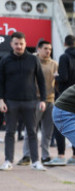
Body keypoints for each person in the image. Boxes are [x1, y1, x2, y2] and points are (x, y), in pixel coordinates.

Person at [0, 32, 47, 171]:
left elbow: (41, 80)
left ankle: (36, 161)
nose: (19, 46)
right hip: (10, 102)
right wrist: (1, 100)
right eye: (16, 43)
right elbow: (0, 82)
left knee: (32, 132)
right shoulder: (5, 60)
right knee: (10, 132)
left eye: (21, 43)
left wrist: (43, 99)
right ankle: (8, 161)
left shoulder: (33, 60)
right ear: (11, 44)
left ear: (25, 43)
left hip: (30, 101)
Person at [51, 34, 75, 166]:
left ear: (65, 44)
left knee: (60, 125)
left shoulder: (64, 57)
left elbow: (64, 77)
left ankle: (61, 155)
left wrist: (55, 77)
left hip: (66, 97)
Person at [22, 40, 57, 165]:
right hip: (34, 100)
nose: (48, 51)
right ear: (39, 49)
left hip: (50, 101)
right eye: (46, 48)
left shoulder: (54, 64)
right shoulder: (31, 62)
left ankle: (45, 156)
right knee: (31, 129)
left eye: (50, 49)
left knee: (47, 131)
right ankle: (26, 155)